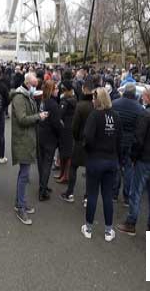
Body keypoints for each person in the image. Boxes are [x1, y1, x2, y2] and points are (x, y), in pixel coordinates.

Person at [117, 86, 150, 236]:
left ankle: (131, 222)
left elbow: (138, 140)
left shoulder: (146, 115)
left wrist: (133, 158)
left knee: (136, 191)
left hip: (145, 160)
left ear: (147, 97)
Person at [82, 88, 122, 242]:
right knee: (107, 196)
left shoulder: (95, 115)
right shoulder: (116, 116)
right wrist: (118, 158)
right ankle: (108, 230)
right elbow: (120, 140)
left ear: (99, 100)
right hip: (111, 161)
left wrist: (89, 151)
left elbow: (87, 137)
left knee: (92, 194)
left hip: (95, 160)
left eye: (94, 98)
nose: (92, 101)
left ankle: (89, 228)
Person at [11, 72, 48, 225]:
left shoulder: (27, 95)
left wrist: (39, 114)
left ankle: (20, 202)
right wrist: (39, 117)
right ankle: (20, 206)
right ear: (27, 84)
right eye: (34, 86)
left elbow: (29, 115)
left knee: (24, 174)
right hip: (22, 141)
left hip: (27, 139)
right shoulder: (20, 97)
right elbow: (22, 119)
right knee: (24, 175)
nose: (35, 88)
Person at [61, 77, 95, 205]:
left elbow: (74, 126)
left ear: (84, 89)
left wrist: (75, 137)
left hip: (79, 141)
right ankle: (87, 197)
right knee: (89, 170)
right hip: (91, 143)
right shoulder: (95, 105)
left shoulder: (80, 106)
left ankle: (70, 193)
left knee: (73, 167)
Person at [111, 83, 145, 206]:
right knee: (129, 169)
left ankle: (114, 194)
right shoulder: (139, 108)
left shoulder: (115, 103)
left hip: (117, 139)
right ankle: (126, 197)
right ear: (135, 93)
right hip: (130, 141)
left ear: (124, 91)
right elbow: (140, 128)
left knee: (116, 166)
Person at [38, 80, 63, 201]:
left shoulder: (42, 101)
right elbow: (56, 123)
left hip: (41, 134)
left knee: (42, 163)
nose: (58, 90)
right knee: (47, 164)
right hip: (50, 137)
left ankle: (43, 185)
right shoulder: (53, 104)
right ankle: (42, 191)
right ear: (51, 90)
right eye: (56, 89)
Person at [55, 81, 76, 184]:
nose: (61, 91)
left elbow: (60, 114)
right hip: (69, 128)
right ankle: (63, 174)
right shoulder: (73, 100)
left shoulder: (65, 101)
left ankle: (65, 175)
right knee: (65, 153)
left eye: (63, 90)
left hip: (65, 129)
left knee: (65, 154)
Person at [0, 66, 10, 164]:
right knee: (1, 134)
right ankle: (1, 156)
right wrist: (3, 107)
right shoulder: (3, 87)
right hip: (0, 112)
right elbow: (8, 100)